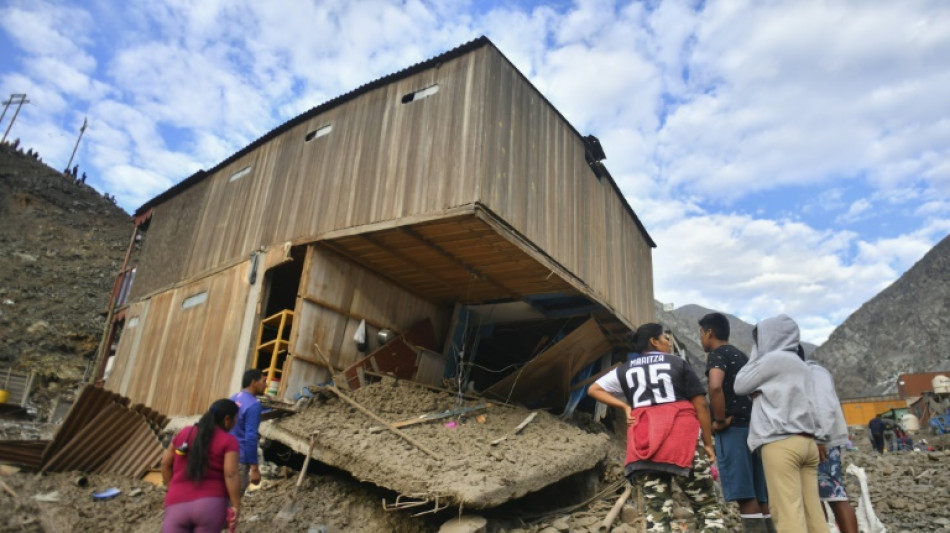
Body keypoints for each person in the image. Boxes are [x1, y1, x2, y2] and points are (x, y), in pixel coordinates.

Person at [588, 323, 725, 532]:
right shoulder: (677, 364)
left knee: (657, 514)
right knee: (706, 507)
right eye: (665, 338)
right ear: (654, 341)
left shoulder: (625, 369)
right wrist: (707, 443)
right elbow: (701, 406)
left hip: (646, 449)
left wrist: (625, 406)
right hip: (684, 445)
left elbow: (594, 389)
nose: (668, 343)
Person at [734, 315, 828, 533]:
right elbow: (816, 406)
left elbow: (740, 384)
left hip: (780, 444)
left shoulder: (772, 360)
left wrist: (757, 353)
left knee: (787, 515)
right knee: (813, 513)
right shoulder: (802, 365)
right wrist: (821, 438)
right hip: (808, 443)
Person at [699, 312, 773, 532]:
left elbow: (714, 386)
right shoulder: (741, 356)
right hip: (754, 429)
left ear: (709, 332)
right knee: (761, 495)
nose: (701, 338)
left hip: (733, 431)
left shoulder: (717, 355)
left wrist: (720, 420)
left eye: (701, 333)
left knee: (745, 494)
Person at [162, 398, 241, 533]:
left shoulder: (184, 433)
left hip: (176, 504)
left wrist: (172, 489)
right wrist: (236, 505)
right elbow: (231, 474)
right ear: (227, 419)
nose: (235, 423)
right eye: (235, 419)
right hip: (210, 506)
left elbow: (165, 464)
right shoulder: (228, 441)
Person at [803, 346, 858, 533]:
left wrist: (820, 437)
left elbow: (824, 405)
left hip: (823, 442)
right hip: (816, 440)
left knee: (835, 496)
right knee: (816, 498)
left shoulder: (813, 371)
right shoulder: (806, 372)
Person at [231, 369, 267, 492]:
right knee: (232, 502)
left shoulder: (234, 397)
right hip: (239, 459)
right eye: (263, 381)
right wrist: (255, 469)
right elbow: (250, 437)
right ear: (254, 382)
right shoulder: (254, 405)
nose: (265, 385)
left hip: (224, 455)